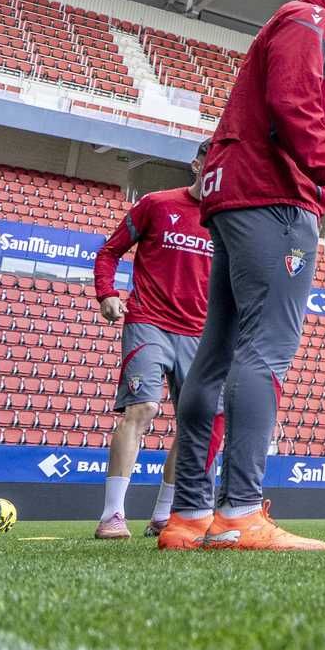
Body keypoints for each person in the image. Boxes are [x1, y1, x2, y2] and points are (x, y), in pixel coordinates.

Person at [159, 0, 325, 552]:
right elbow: (292, 104)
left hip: (237, 197)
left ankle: (188, 517)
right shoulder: (311, 20)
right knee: (264, 352)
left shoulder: (299, 23)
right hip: (274, 197)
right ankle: (239, 512)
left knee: (213, 358)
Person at [91, 140, 213, 539]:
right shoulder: (157, 204)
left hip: (200, 333)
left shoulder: (229, 222)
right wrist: (107, 293)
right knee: (142, 408)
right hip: (149, 322)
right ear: (197, 164)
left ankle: (163, 515)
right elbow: (109, 252)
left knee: (195, 425)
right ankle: (112, 514)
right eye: (213, 160)